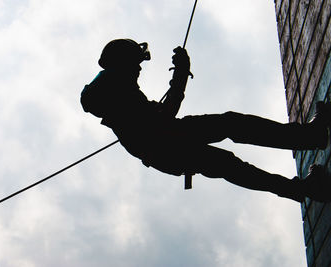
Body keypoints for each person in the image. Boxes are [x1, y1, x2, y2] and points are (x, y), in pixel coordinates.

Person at [81, 38, 331, 203]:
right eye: (136, 64)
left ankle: (306, 163)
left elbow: (159, 120)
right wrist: (180, 74)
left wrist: (179, 76)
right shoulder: (117, 88)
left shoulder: (112, 88)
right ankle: (307, 164)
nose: (139, 69)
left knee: (230, 139)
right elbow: (166, 115)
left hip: (168, 142)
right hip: (168, 145)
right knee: (231, 157)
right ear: (123, 63)